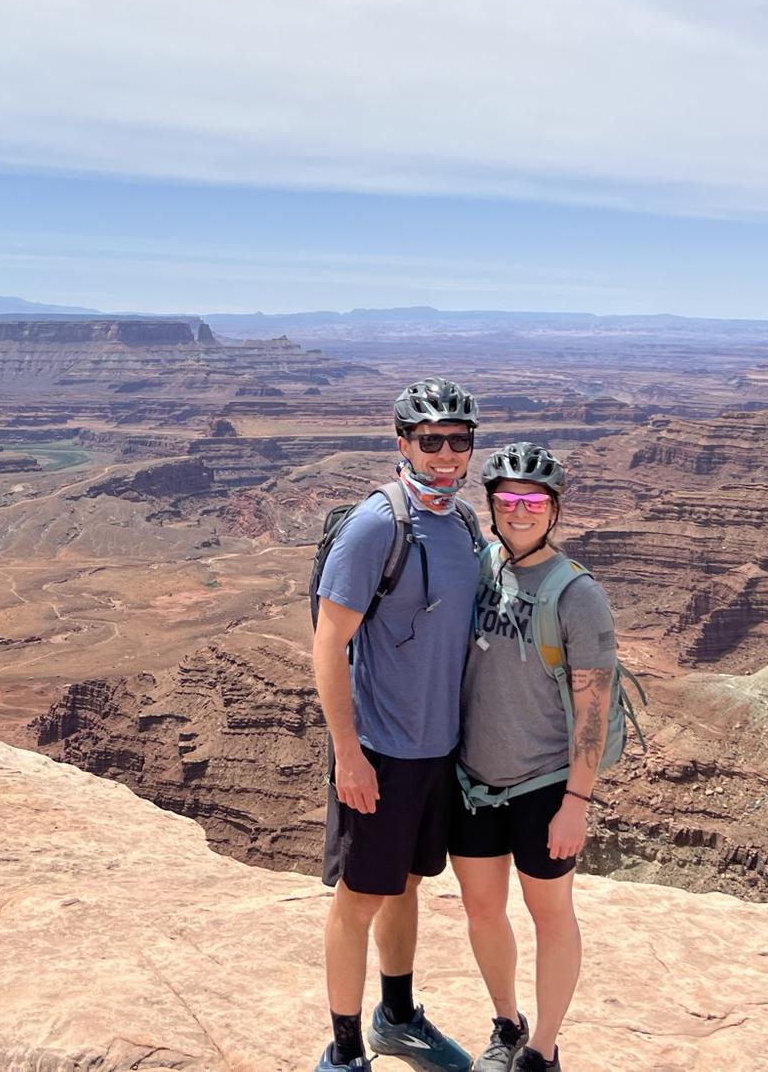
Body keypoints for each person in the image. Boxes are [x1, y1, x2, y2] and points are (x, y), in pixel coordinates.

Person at [312, 379, 485, 1072]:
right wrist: (348, 755)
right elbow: (328, 643)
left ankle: (398, 1017)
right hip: (381, 752)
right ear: (402, 444)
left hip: (437, 751)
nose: (445, 455)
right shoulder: (379, 525)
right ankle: (346, 1051)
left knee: (407, 884)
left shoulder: (462, 523)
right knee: (359, 900)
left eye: (459, 440)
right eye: (430, 440)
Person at [450, 443, 616, 1072]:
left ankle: (543, 1047)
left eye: (534, 502)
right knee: (483, 909)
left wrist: (576, 802)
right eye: (509, 500)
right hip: (475, 782)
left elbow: (593, 712)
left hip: (545, 786)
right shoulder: (483, 566)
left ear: (553, 510)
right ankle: (505, 1023)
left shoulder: (577, 596)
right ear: (492, 506)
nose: (520, 512)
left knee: (551, 915)